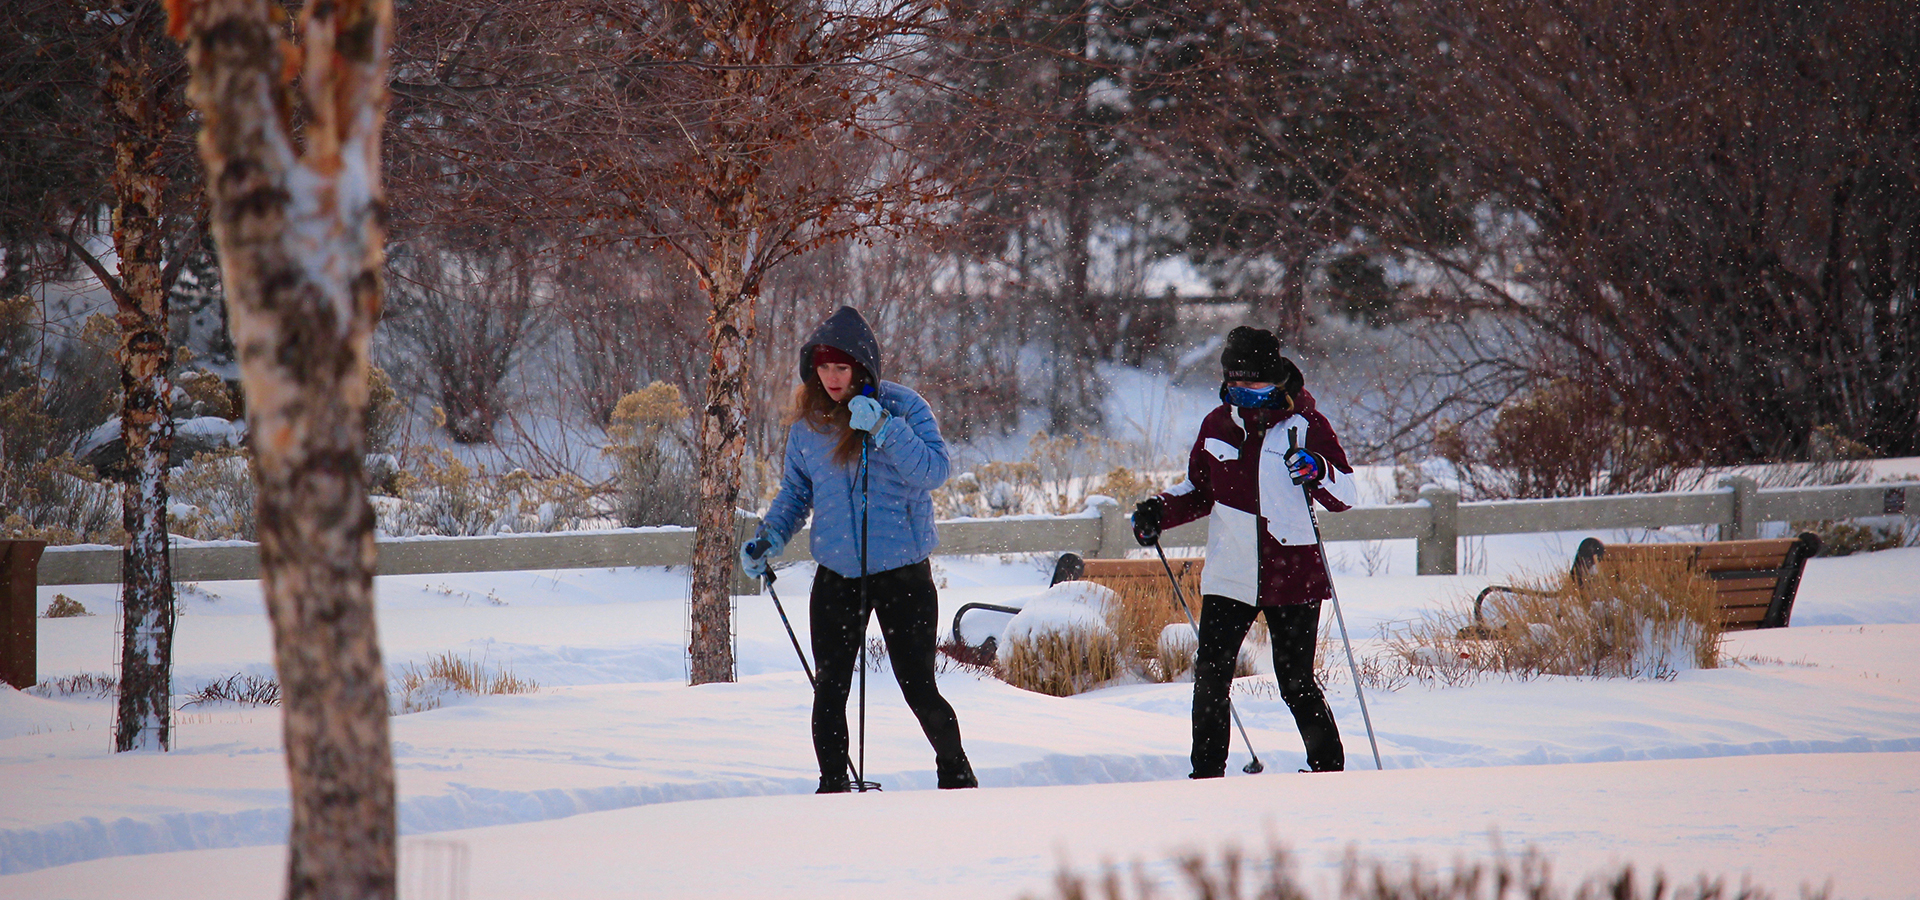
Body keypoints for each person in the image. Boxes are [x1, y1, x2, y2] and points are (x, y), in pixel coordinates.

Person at [739, 306, 978, 793]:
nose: (831, 377)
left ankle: (957, 776)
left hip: (903, 574)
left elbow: (934, 472)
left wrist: (885, 429)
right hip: (837, 575)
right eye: (823, 367)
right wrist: (771, 537)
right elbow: (796, 493)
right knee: (830, 689)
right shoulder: (807, 426)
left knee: (918, 687)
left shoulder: (905, 407)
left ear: (862, 368)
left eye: (841, 367)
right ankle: (832, 787)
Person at [1130, 325, 1360, 776]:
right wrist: (1159, 510)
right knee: (1211, 676)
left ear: (1275, 377)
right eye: (1234, 382)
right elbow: (1199, 490)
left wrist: (1319, 471)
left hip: (1293, 574)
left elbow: (1346, 494)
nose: (1242, 391)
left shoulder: (1307, 425)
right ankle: (1207, 773)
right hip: (1231, 572)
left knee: (1295, 682)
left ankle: (1329, 770)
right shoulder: (1217, 424)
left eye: (1253, 382)